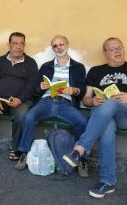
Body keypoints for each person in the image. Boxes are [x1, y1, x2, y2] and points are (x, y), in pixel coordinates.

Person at [63, 37, 127, 198]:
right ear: (104, 53)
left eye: (120, 47)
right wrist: (92, 100)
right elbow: (86, 99)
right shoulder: (95, 71)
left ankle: (79, 149)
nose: (118, 51)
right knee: (106, 124)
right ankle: (107, 182)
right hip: (103, 116)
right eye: (113, 49)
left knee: (111, 103)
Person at [14, 35, 88, 176]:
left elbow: (82, 88)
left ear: (67, 45)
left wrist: (74, 90)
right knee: (28, 117)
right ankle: (23, 152)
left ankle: (81, 158)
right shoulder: (46, 66)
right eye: (55, 45)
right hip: (46, 101)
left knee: (83, 122)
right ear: (52, 48)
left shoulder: (78, 67)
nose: (59, 47)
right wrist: (41, 87)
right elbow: (36, 88)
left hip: (65, 102)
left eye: (61, 44)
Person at [0, 32, 38, 159]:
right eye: (15, 43)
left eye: (21, 44)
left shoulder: (31, 63)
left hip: (21, 100)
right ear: (9, 45)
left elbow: (31, 86)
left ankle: (15, 147)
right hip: (0, 98)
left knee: (21, 116)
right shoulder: (0, 61)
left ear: (24, 45)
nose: (18, 47)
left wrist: (20, 100)